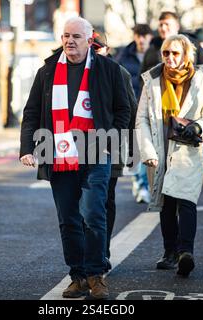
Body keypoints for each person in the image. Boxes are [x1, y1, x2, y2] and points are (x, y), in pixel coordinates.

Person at [20, 17, 130, 299]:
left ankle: (96, 275)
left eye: (76, 36)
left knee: (94, 214)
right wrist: (26, 148)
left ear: (90, 40)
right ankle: (77, 275)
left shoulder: (108, 69)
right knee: (68, 218)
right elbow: (32, 112)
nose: (70, 41)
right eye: (66, 36)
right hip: (58, 152)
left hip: (96, 151)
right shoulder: (47, 71)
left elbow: (123, 111)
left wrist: (110, 142)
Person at [136, 34, 203, 277]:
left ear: (186, 56)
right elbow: (140, 118)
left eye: (175, 53)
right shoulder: (151, 80)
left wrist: (199, 126)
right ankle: (169, 252)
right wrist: (148, 150)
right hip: (160, 148)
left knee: (186, 200)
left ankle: (186, 252)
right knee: (166, 204)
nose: (169, 58)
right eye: (165, 53)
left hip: (187, 149)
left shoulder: (200, 80)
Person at [91, 31, 138, 272]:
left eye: (98, 48)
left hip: (111, 147)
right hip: (81, 147)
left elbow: (130, 110)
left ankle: (102, 251)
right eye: (91, 46)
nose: (94, 52)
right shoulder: (74, 72)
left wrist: (131, 149)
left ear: (106, 50)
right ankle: (91, 253)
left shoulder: (118, 72)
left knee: (104, 200)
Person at [115, 23, 153, 204]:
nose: (141, 39)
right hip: (131, 107)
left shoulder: (157, 54)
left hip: (151, 108)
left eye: (145, 36)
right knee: (136, 148)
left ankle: (143, 183)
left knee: (147, 147)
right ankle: (140, 183)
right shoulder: (124, 55)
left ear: (150, 37)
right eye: (138, 35)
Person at [140, 11, 203, 80]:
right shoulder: (152, 49)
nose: (163, 28)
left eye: (167, 24)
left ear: (177, 26)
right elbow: (143, 76)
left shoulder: (192, 45)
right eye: (161, 25)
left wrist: (196, 89)